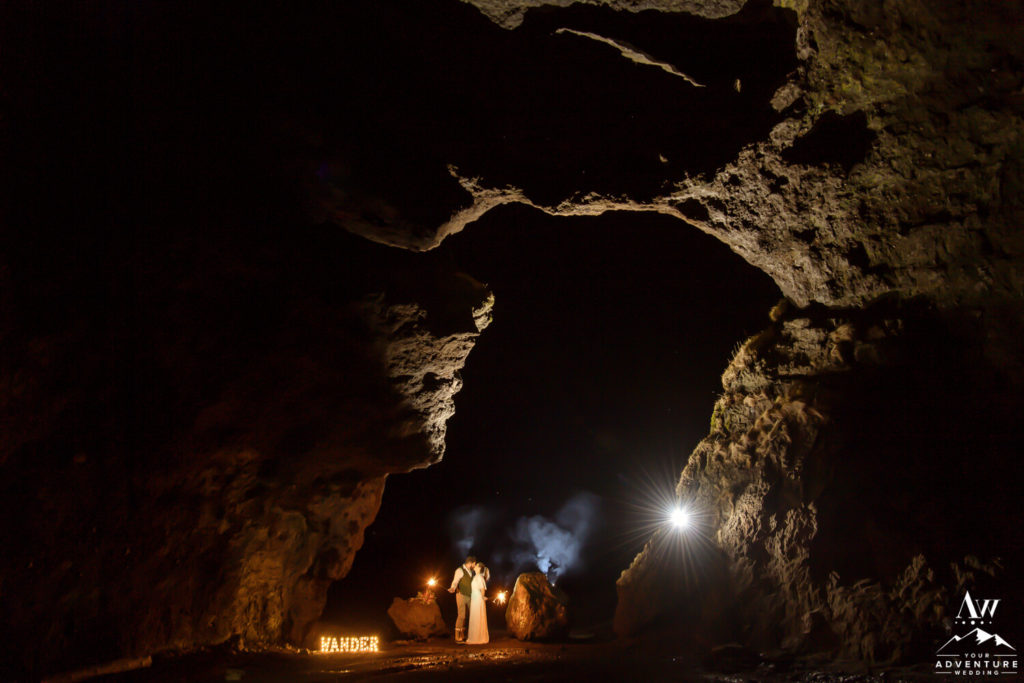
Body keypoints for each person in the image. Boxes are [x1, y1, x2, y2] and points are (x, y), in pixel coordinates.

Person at [447, 555, 476, 642]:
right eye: (474, 564)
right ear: (470, 563)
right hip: (461, 595)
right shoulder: (460, 570)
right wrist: (453, 587)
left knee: (469, 615)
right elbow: (455, 581)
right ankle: (457, 636)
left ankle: (463, 634)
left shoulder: (471, 572)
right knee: (461, 615)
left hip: (470, 596)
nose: (475, 565)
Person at [465, 562, 490, 645]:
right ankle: (474, 637)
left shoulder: (479, 577)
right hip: (475, 598)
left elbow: (482, 589)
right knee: (474, 617)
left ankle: (478, 638)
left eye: (476, 565)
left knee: (477, 616)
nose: (475, 566)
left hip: (478, 599)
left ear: (479, 568)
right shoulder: (476, 577)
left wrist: (482, 597)